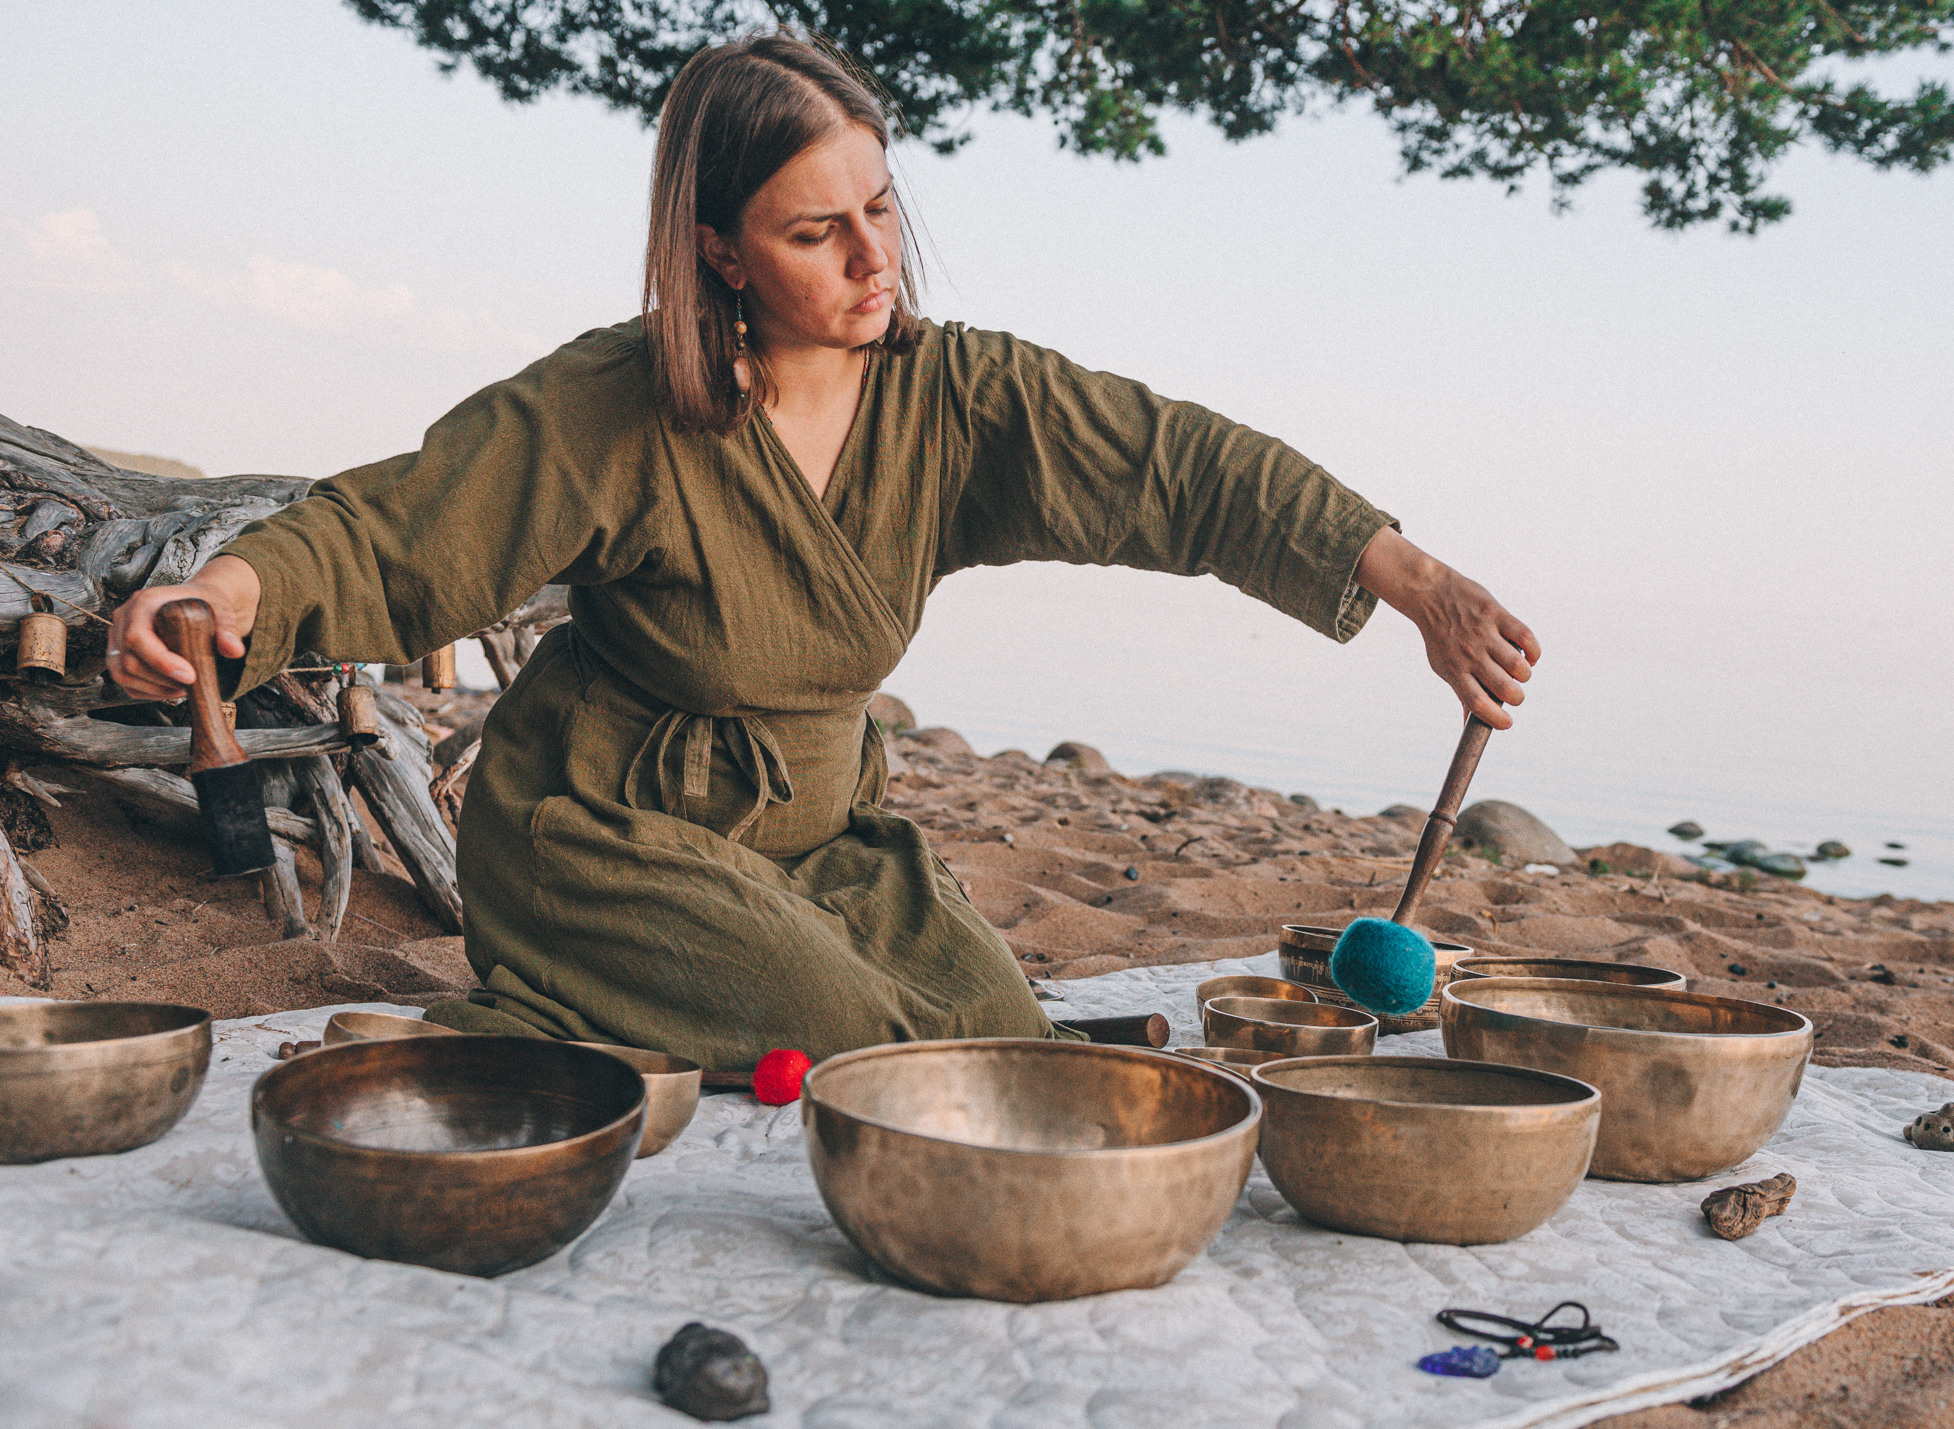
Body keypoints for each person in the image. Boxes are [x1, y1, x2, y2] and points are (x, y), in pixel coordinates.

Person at [108, 32, 1538, 1070]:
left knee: (992, 1032)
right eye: (815, 232)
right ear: (722, 249)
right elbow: (401, 525)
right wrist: (232, 589)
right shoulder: (620, 404)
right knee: (849, 1036)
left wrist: (1413, 581)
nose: (873, 263)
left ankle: (718, 982)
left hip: (815, 837)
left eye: (881, 210)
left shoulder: (958, 397)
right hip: (606, 829)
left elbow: (1174, 463)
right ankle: (544, 995)